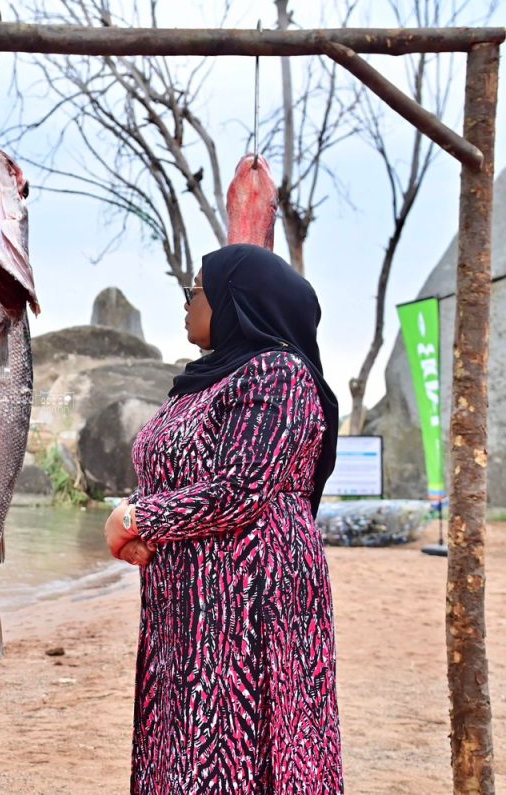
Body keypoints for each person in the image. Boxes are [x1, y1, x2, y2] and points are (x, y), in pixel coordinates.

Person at [104, 244, 343, 793]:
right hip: (191, 598)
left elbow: (243, 488)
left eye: (197, 289)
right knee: (187, 736)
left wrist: (138, 519)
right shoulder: (206, 379)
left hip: (247, 595)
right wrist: (141, 522)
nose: (186, 302)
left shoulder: (278, 372)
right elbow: (183, 473)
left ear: (235, 299)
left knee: (232, 739)